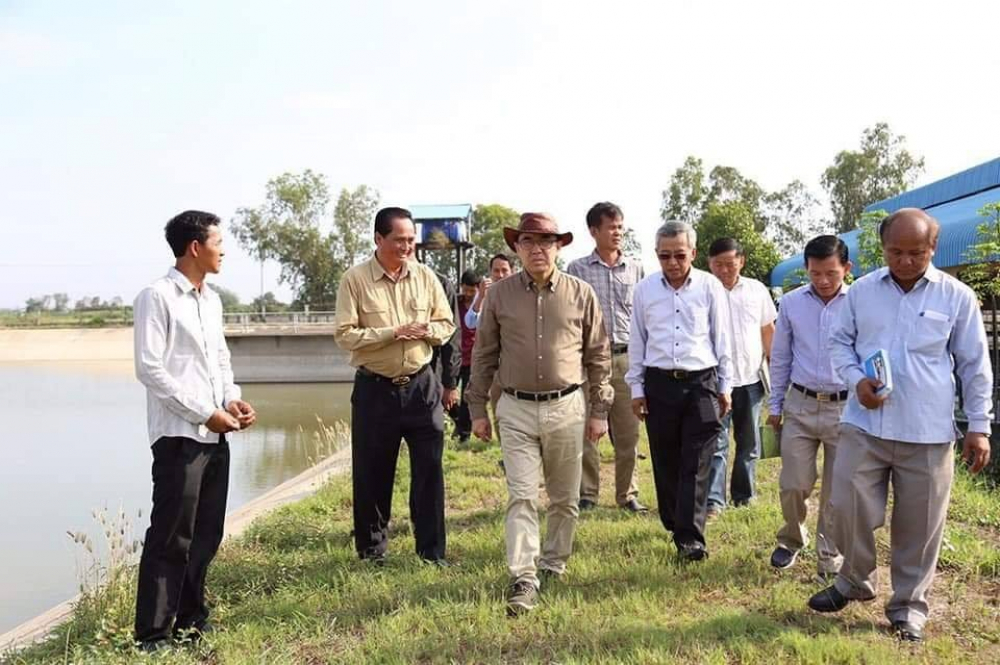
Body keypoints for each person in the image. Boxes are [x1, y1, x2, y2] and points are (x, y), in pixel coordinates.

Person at [808, 208, 993, 643]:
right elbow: (839, 342)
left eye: (917, 253)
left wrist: (979, 425)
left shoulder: (956, 296)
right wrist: (857, 380)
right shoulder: (862, 292)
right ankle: (855, 580)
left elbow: (974, 364)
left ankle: (908, 607)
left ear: (933, 248)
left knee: (920, 525)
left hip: (926, 431)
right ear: (882, 248)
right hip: (865, 424)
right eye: (896, 252)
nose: (906, 261)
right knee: (845, 504)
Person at [468, 212, 612, 616]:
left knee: (565, 498)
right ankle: (524, 576)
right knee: (522, 495)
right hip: (514, 408)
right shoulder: (499, 295)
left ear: (559, 247)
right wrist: (477, 408)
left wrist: (599, 410)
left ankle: (553, 563)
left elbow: (598, 354)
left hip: (568, 407)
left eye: (546, 241)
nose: (537, 249)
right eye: (528, 241)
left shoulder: (581, 293)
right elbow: (484, 354)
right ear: (517, 248)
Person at [133, 210, 257, 652]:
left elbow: (219, 360)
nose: (224, 251)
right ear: (195, 247)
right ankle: (153, 634)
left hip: (215, 434)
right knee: (171, 535)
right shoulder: (157, 297)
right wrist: (205, 413)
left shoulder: (212, 300)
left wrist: (231, 400)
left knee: (206, 534)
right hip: (179, 437)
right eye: (218, 243)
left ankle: (191, 621)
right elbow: (150, 369)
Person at [334, 206, 456, 566]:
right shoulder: (355, 280)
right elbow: (345, 335)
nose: (406, 246)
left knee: (430, 472)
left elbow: (446, 324)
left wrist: (426, 330)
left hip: (422, 387)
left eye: (411, 240)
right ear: (378, 239)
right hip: (375, 390)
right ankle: (372, 552)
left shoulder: (426, 276)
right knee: (372, 473)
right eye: (399, 240)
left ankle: (431, 553)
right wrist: (393, 332)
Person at [626, 220, 732, 562]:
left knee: (697, 461)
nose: (672, 262)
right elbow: (637, 341)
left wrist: (725, 386)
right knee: (666, 459)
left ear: (693, 253)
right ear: (656, 254)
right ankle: (675, 521)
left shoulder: (710, 286)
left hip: (701, 383)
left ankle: (690, 539)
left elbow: (722, 338)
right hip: (659, 384)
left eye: (680, 255)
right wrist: (636, 388)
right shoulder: (644, 290)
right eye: (664, 255)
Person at [767, 235, 851, 578]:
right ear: (806, 269)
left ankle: (829, 554)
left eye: (831, 273)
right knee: (793, 482)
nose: (823, 281)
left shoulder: (858, 302)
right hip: (800, 403)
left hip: (845, 408)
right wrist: (775, 404)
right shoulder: (791, 303)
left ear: (847, 268)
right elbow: (781, 356)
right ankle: (791, 539)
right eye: (815, 273)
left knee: (837, 489)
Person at [567, 201, 647, 513]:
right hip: (589, 361)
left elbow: (644, 316)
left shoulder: (636, 269)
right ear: (594, 231)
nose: (617, 232)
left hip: (627, 358)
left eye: (620, 227)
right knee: (588, 430)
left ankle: (627, 494)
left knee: (629, 432)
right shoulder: (577, 269)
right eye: (611, 227)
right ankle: (587, 493)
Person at [705, 237, 777, 516]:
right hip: (715, 382)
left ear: (741, 261)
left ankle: (744, 496)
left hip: (751, 379)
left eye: (730, 264)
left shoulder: (757, 290)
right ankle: (714, 501)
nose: (724, 270)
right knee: (717, 442)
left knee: (749, 442)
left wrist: (775, 365)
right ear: (709, 264)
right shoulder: (704, 291)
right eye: (718, 264)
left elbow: (767, 330)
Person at [452, 270, 482, 443]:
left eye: (472, 290)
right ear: (461, 286)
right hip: (455, 356)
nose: (469, 294)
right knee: (443, 392)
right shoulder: (454, 302)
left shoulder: (481, 304)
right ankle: (457, 419)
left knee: (467, 397)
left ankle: (464, 434)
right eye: (466, 290)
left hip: (473, 357)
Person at [429, 270, 461, 426]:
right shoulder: (367, 281)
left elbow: (451, 338)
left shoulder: (439, 283)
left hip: (429, 374)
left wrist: (450, 384)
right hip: (383, 381)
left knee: (430, 429)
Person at [464, 253, 515, 330]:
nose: (500, 275)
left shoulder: (519, 291)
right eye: (496, 271)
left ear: (512, 271)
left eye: (504, 270)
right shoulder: (485, 292)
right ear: (490, 272)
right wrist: (481, 297)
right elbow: (471, 323)